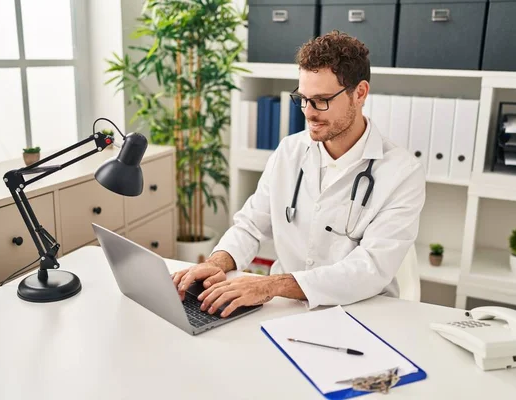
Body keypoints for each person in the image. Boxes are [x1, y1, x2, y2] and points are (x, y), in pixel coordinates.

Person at [172, 31, 426, 318]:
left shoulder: (402, 173)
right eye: (302, 98)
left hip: (361, 314)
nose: (308, 112)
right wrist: (218, 262)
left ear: (360, 93)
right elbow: (250, 226)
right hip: (285, 310)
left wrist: (272, 285)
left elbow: (371, 268)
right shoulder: (290, 151)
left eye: (321, 100)